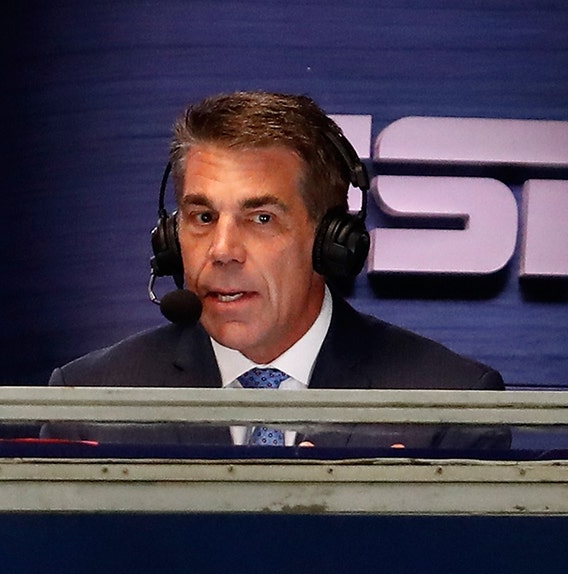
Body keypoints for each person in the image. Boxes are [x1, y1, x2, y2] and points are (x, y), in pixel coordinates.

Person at [44, 91, 508, 449]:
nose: (222, 251)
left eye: (261, 219)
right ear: (170, 236)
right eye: (202, 218)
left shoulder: (449, 406)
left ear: (329, 241)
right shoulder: (92, 401)